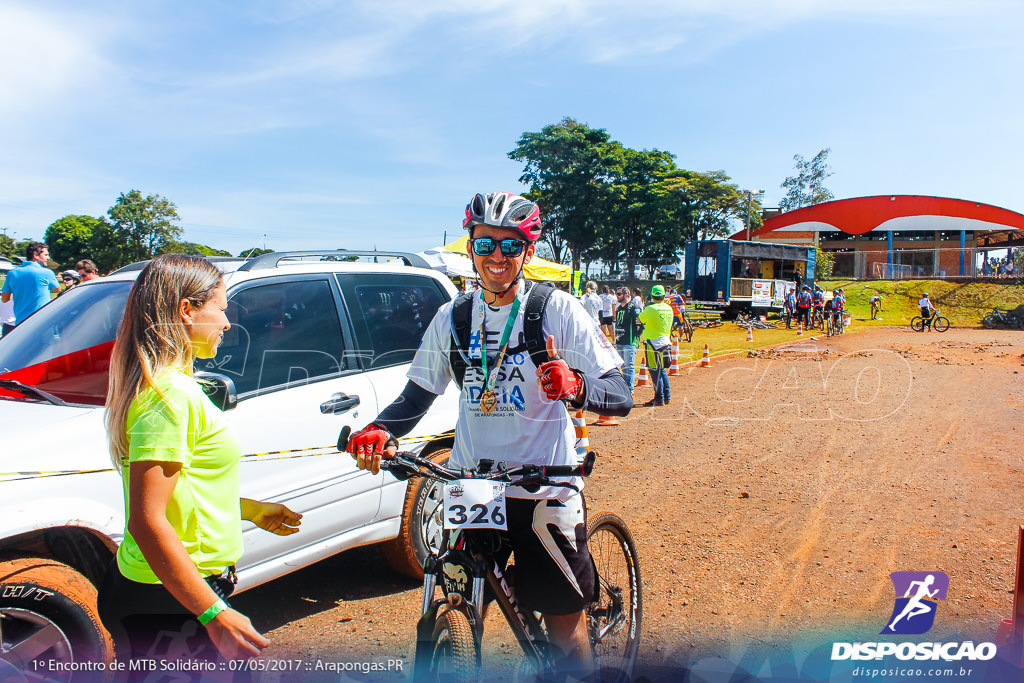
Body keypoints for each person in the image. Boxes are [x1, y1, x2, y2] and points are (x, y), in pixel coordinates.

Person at [344, 192, 631, 675]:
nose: (497, 256)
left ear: (529, 251)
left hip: (545, 487)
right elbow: (416, 396)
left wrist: (576, 386)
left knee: (564, 627)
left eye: (511, 245)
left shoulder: (556, 309)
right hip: (472, 487)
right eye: (485, 244)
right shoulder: (454, 317)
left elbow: (620, 392)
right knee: (459, 601)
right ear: (471, 249)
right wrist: (377, 431)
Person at [97, 254, 302, 676]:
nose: (227, 324)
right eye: (222, 308)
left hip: (173, 590)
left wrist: (247, 509)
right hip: (169, 598)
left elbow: (179, 492)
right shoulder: (169, 397)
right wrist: (213, 613)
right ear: (186, 310)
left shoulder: (172, 388)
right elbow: (147, 521)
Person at [0, 242, 60, 326]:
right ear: (36, 255)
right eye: (46, 255)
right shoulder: (46, 272)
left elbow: (4, 299)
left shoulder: (12, 273)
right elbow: (57, 289)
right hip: (42, 323)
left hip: (20, 325)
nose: (48, 257)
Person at [638, 284, 673, 407]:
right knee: (662, 370)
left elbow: (640, 319)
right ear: (664, 296)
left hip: (652, 342)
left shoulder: (650, 309)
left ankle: (659, 398)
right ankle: (667, 396)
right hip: (666, 341)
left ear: (652, 296)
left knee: (654, 371)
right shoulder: (669, 308)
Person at [614, 286, 642, 392]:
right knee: (622, 366)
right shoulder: (618, 308)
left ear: (626, 295)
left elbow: (639, 323)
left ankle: (629, 389)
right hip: (620, 341)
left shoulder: (633, 307)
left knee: (629, 366)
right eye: (617, 293)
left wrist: (636, 337)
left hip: (629, 341)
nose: (617, 295)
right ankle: (624, 388)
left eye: (619, 294)